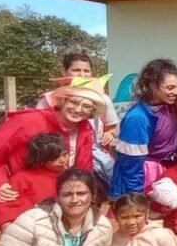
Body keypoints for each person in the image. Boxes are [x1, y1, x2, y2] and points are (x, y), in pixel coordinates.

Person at [0, 85, 104, 207]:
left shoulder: (85, 130)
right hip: (21, 194)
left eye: (86, 106)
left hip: (61, 198)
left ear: (92, 112)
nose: (78, 109)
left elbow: (83, 170)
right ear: (63, 101)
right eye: (74, 102)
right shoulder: (26, 121)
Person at [38, 51, 119, 183]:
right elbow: (37, 132)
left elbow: (112, 128)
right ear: (64, 72)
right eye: (76, 70)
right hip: (55, 158)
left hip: (94, 160)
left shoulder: (102, 99)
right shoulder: (49, 99)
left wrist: (110, 134)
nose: (82, 75)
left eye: (86, 71)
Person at [112, 59, 177, 198]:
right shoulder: (138, 118)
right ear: (152, 85)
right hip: (142, 178)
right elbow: (131, 164)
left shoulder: (168, 107)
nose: (175, 92)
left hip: (161, 173)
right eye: (170, 87)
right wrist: (136, 196)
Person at [0, 133, 69, 230]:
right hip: (30, 228)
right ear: (41, 159)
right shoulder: (22, 178)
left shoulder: (69, 176)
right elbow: (6, 205)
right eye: (54, 158)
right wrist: (7, 226)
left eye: (64, 154)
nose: (62, 160)